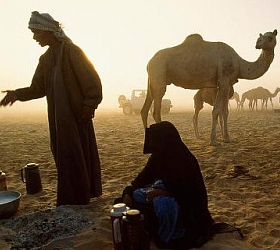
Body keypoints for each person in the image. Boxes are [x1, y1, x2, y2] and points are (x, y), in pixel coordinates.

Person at [0, 11, 103, 206]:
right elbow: (38, 88)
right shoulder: (45, 59)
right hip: (58, 119)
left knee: (78, 155)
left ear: (47, 31)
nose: (34, 37)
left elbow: (92, 81)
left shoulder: (71, 51)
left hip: (76, 116)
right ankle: (71, 198)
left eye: (36, 32)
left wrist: (89, 105)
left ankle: (81, 197)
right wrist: (16, 94)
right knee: (64, 156)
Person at [119, 121, 214, 249]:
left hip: (186, 209)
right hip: (165, 195)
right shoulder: (158, 157)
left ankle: (168, 232)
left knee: (163, 205)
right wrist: (128, 193)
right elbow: (141, 179)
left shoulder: (184, 160)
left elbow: (190, 194)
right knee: (129, 199)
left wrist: (164, 192)